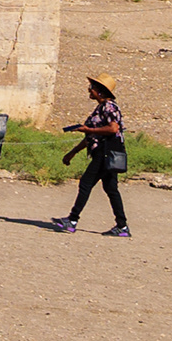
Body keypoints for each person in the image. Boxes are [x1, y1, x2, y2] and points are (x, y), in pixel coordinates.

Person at [57, 75, 129, 237]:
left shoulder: (108, 107)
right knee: (111, 189)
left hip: (106, 152)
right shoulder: (101, 107)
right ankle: (122, 226)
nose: (89, 90)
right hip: (104, 152)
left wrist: (88, 130)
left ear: (101, 92)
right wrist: (73, 152)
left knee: (86, 183)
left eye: (92, 88)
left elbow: (112, 129)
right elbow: (91, 137)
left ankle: (72, 220)